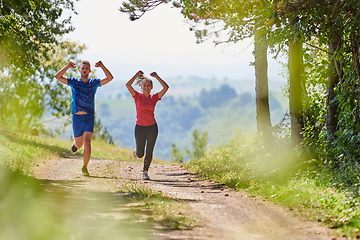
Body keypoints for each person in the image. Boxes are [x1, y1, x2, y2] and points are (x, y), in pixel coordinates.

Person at [54, 60, 114, 176]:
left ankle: (85, 167)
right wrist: (67, 66)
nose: (85, 70)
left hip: (89, 116)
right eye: (83, 68)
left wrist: (102, 66)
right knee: (80, 144)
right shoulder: (74, 82)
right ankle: (75, 144)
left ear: (90, 71)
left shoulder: (93, 83)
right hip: (77, 117)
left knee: (87, 142)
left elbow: (110, 78)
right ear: (79, 70)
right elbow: (57, 76)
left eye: (87, 68)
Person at [126, 70, 169, 180]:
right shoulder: (137, 96)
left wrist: (157, 77)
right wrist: (136, 74)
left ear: (151, 87)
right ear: (141, 86)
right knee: (140, 154)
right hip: (139, 128)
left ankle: (145, 172)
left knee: (149, 150)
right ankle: (136, 151)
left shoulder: (154, 97)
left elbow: (166, 88)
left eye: (148, 86)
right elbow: (128, 85)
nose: (146, 87)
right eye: (144, 85)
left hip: (152, 128)